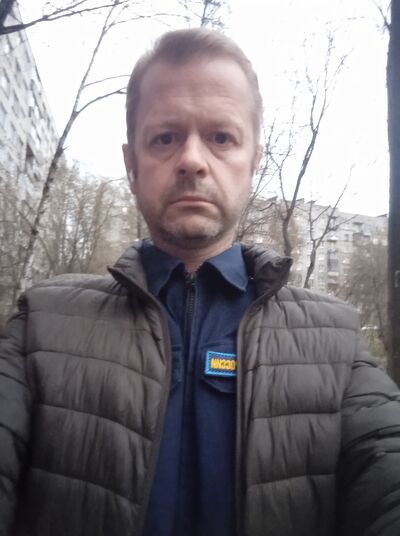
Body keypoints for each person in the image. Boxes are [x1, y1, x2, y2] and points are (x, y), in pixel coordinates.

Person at [1, 28, 400, 536]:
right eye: (165, 137)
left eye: (221, 138)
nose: (192, 160)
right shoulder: (42, 327)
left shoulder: (336, 344)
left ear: (253, 162)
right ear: (131, 165)